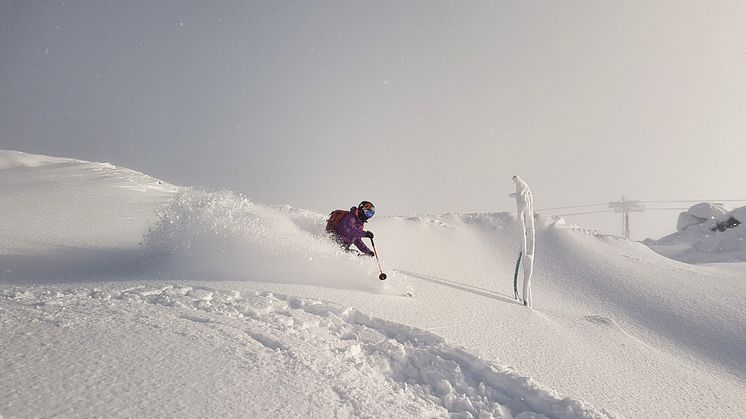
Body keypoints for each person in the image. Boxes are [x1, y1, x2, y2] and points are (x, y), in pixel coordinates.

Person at [510, 175, 535, 308]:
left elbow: (525, 200)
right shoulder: (521, 189)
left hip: (527, 243)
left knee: (528, 274)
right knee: (526, 272)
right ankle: (525, 301)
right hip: (524, 243)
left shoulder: (524, 189)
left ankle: (527, 301)